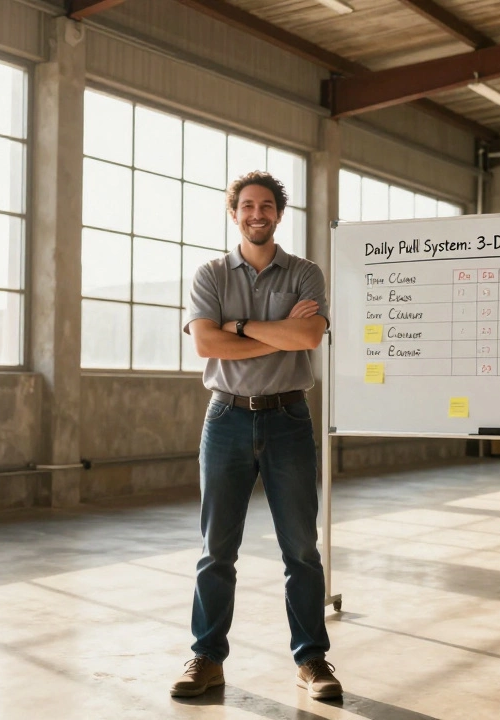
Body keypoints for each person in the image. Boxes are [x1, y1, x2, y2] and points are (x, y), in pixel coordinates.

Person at [170, 171, 341, 700]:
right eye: (247, 205)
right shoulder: (211, 275)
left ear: (278, 214)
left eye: (266, 205)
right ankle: (206, 658)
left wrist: (238, 328)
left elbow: (309, 334)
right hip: (226, 419)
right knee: (215, 550)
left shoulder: (306, 273)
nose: (257, 213)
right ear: (235, 213)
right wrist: (272, 332)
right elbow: (205, 345)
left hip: (289, 419)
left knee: (301, 551)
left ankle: (312, 660)